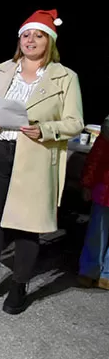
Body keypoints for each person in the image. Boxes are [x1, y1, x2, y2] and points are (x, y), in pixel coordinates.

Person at [0, 10, 83, 314]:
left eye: (38, 35)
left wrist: (45, 129)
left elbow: (74, 122)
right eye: (26, 34)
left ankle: (19, 285)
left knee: (28, 226)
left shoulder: (65, 77)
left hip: (35, 158)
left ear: (49, 41)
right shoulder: (3, 70)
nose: (30, 40)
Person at [79, 115, 109, 290]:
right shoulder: (105, 137)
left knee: (98, 231)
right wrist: (87, 184)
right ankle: (89, 270)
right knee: (97, 232)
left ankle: (106, 274)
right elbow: (94, 160)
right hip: (104, 190)